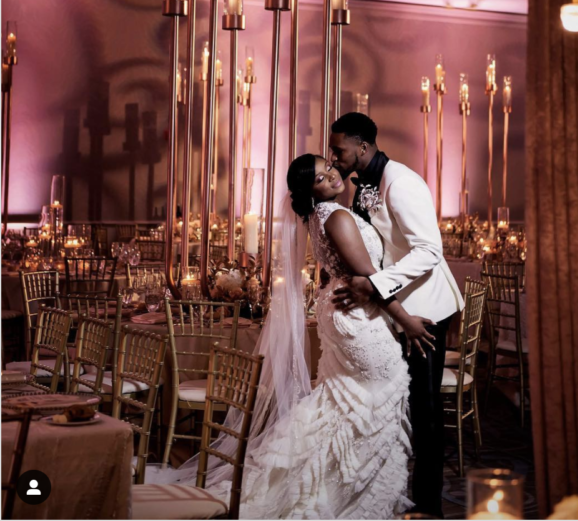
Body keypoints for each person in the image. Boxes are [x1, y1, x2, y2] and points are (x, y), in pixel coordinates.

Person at [149, 155, 434, 518]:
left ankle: (328, 489)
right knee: (377, 395)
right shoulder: (338, 217)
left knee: (346, 402)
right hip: (356, 317)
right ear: (308, 190)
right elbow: (369, 279)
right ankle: (346, 498)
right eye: (319, 177)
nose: (331, 176)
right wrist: (406, 321)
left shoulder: (320, 216)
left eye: (328, 167)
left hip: (346, 311)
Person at [328, 112, 465, 518]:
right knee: (401, 406)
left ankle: (430, 506)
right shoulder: (362, 184)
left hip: (424, 312)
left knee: (425, 412)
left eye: (339, 150)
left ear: (363, 147)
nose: (334, 158)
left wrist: (376, 285)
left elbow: (429, 251)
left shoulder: (401, 183)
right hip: (397, 305)